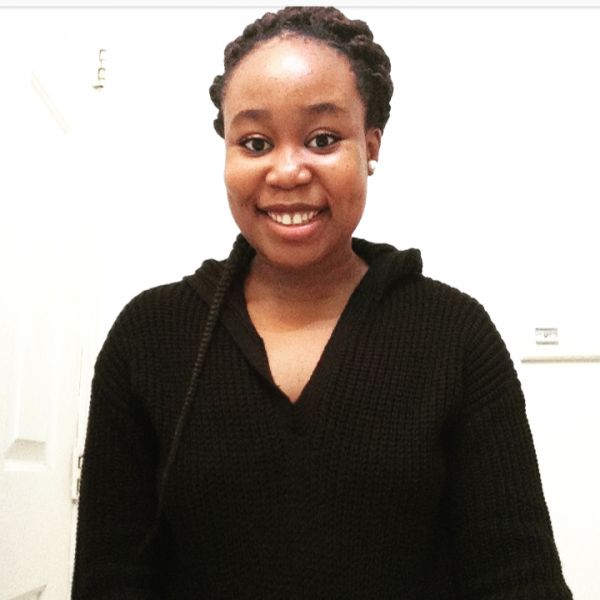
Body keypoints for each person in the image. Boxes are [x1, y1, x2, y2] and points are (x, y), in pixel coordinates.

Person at [71, 6, 573, 599]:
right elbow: (110, 579)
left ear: (370, 146)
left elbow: (518, 579)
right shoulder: (148, 337)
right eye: (255, 142)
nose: (287, 171)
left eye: (323, 139)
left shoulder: (454, 335)